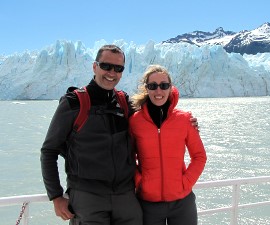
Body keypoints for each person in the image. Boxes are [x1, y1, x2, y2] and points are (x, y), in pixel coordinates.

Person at [40, 45, 199, 225]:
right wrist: (55, 196)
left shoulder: (124, 102)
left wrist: (187, 121)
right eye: (106, 66)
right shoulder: (74, 102)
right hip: (88, 197)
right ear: (95, 66)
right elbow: (49, 151)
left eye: (118, 68)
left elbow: (153, 117)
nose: (112, 72)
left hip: (125, 198)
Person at [129, 64, 207, 225]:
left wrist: (185, 183)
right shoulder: (135, 121)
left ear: (170, 88)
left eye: (164, 85)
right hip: (148, 204)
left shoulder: (184, 119)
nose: (159, 91)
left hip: (182, 203)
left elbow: (199, 156)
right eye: (153, 86)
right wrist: (141, 183)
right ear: (147, 89)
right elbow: (128, 158)